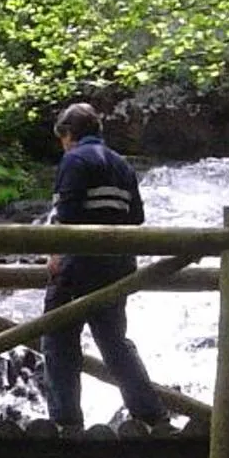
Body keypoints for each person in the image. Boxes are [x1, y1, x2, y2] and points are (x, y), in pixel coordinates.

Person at [42, 103, 170, 431]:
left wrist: (57, 250)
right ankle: (151, 414)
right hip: (118, 266)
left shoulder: (74, 160)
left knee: (58, 339)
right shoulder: (121, 164)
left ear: (69, 134)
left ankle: (65, 422)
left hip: (79, 265)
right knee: (114, 342)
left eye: (63, 138)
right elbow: (136, 217)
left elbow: (67, 215)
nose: (63, 145)